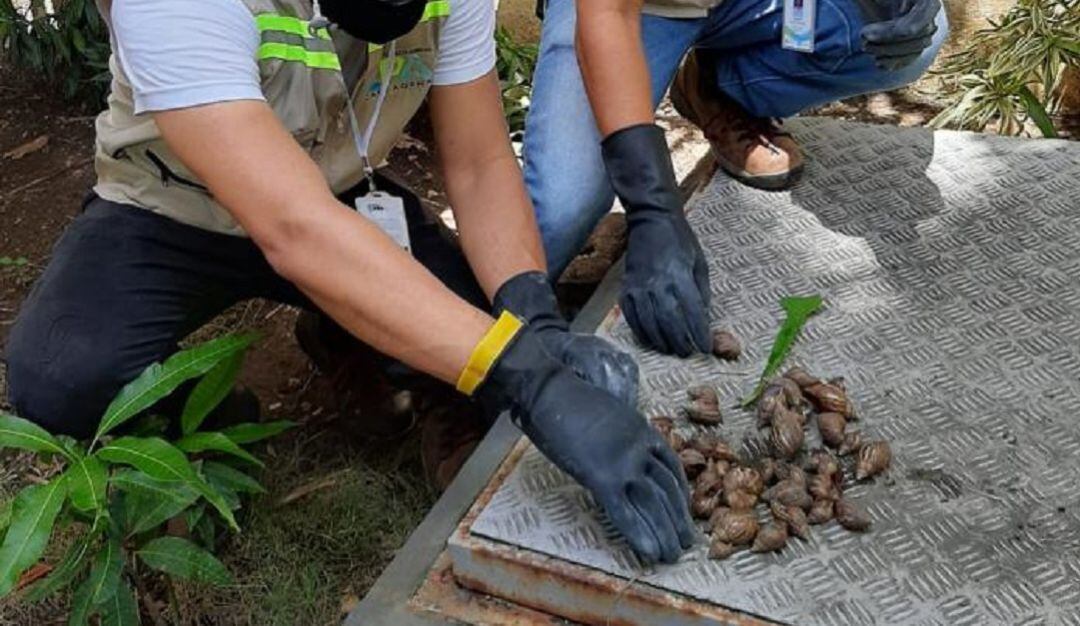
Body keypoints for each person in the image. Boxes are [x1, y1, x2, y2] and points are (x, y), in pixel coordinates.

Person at [3, 0, 695, 564]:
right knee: (60, 374)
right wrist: (531, 378)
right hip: (173, 206)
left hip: (337, 196)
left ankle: (360, 347)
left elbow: (482, 161)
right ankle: (204, 415)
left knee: (486, 336)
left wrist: (534, 322)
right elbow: (294, 227)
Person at [523, 0, 948, 355]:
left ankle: (718, 87)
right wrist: (652, 204)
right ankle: (487, 347)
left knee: (904, 27)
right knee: (563, 208)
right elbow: (608, 12)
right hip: (630, 10)